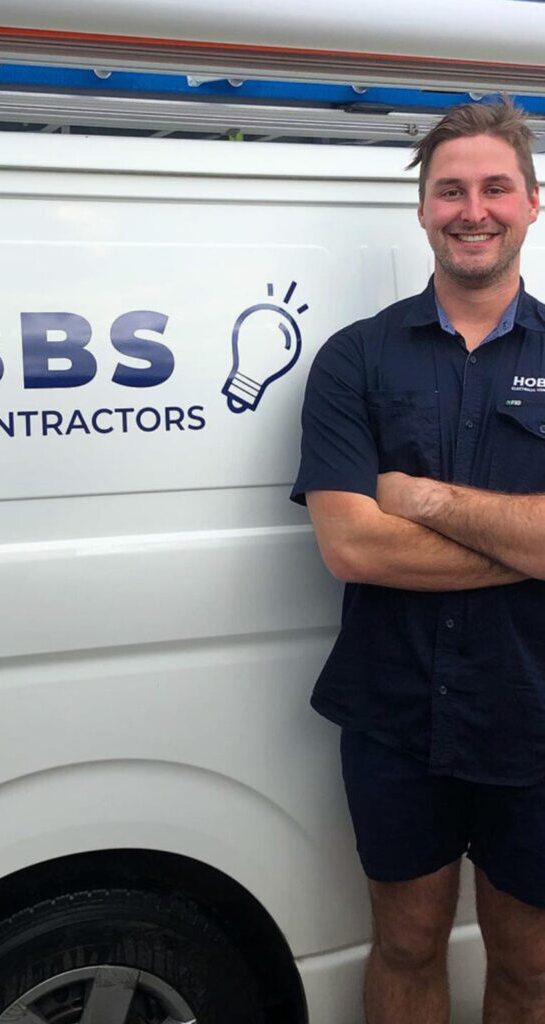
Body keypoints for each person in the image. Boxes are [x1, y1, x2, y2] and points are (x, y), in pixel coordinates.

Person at [291, 99, 545, 1024]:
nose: (473, 211)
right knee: (403, 945)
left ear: (532, 202)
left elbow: (388, 523)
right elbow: (352, 544)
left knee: (531, 969)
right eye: (451, 191)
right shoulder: (355, 359)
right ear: (423, 209)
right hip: (395, 717)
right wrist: (528, 544)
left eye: (495, 188)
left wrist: (423, 500)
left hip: (536, 718)